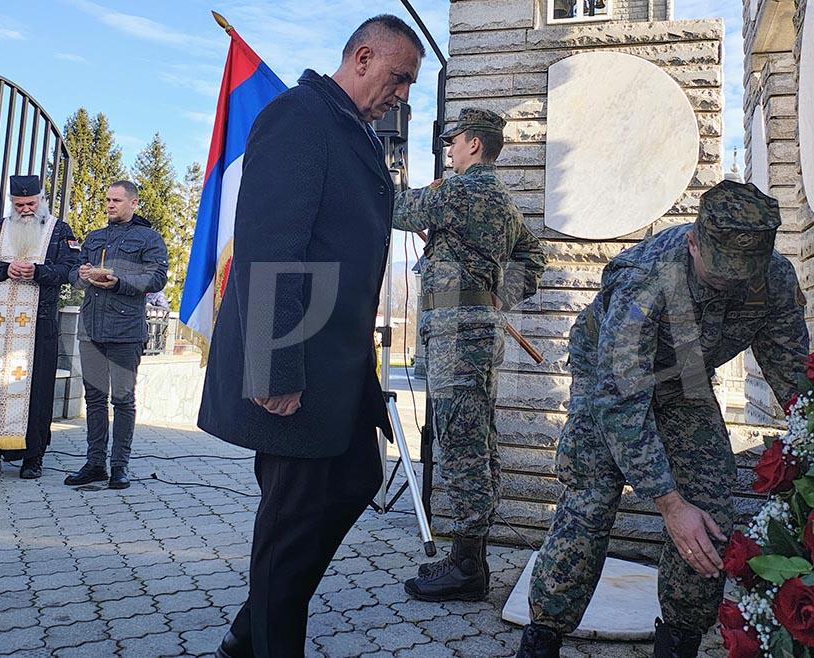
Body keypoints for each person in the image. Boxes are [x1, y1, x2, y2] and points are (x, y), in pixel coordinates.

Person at [197, 15, 424, 658]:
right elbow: (273, 247)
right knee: (289, 528)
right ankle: (264, 642)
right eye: (399, 77)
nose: (402, 94)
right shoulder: (301, 117)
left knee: (356, 480)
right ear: (361, 57)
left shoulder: (350, 130)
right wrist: (275, 370)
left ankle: (252, 628)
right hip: (297, 365)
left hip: (339, 369)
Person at [517, 180, 809, 658]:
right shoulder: (648, 276)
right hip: (607, 376)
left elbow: (792, 373)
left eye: (742, 278)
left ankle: (679, 641)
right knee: (592, 495)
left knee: (710, 505)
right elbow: (620, 399)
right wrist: (668, 504)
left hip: (685, 377)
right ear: (695, 243)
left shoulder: (773, 278)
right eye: (719, 278)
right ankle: (544, 634)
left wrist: (807, 437)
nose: (731, 286)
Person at [391, 107, 546, 602]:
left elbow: (395, 209)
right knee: (477, 439)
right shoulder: (501, 199)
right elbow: (532, 257)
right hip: (474, 329)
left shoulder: (459, 191)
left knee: (461, 444)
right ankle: (470, 558)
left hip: (457, 332)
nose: (449, 149)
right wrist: (500, 294)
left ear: (474, 144)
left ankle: (466, 568)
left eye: (453, 141)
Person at [0, 175, 80, 479]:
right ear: (11, 204)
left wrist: (38, 272)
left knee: (36, 390)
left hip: (38, 324)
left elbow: (69, 270)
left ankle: (32, 456)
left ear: (41, 199)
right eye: (19, 205)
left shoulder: (59, 230)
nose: (26, 209)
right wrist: (6, 269)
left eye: (31, 203)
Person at [63, 180, 168, 490]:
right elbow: (73, 273)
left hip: (125, 332)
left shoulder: (148, 238)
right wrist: (81, 276)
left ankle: (119, 466)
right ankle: (95, 463)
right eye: (107, 199)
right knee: (94, 399)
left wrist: (118, 279)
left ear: (133, 203)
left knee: (122, 400)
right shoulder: (95, 238)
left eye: (117, 200)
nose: (110, 205)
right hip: (91, 330)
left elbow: (157, 276)